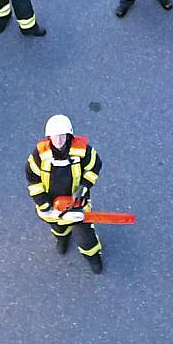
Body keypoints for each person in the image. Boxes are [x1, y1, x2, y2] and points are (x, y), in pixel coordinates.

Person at [27, 113, 104, 271]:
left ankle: (93, 257)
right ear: (49, 137)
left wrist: (84, 187)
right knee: (59, 228)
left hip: (76, 203)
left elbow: (94, 166)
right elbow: (34, 181)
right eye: (55, 136)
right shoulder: (40, 154)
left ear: (69, 135)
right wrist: (44, 204)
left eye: (62, 136)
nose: (59, 140)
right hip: (51, 204)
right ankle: (63, 239)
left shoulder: (82, 151)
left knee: (85, 237)